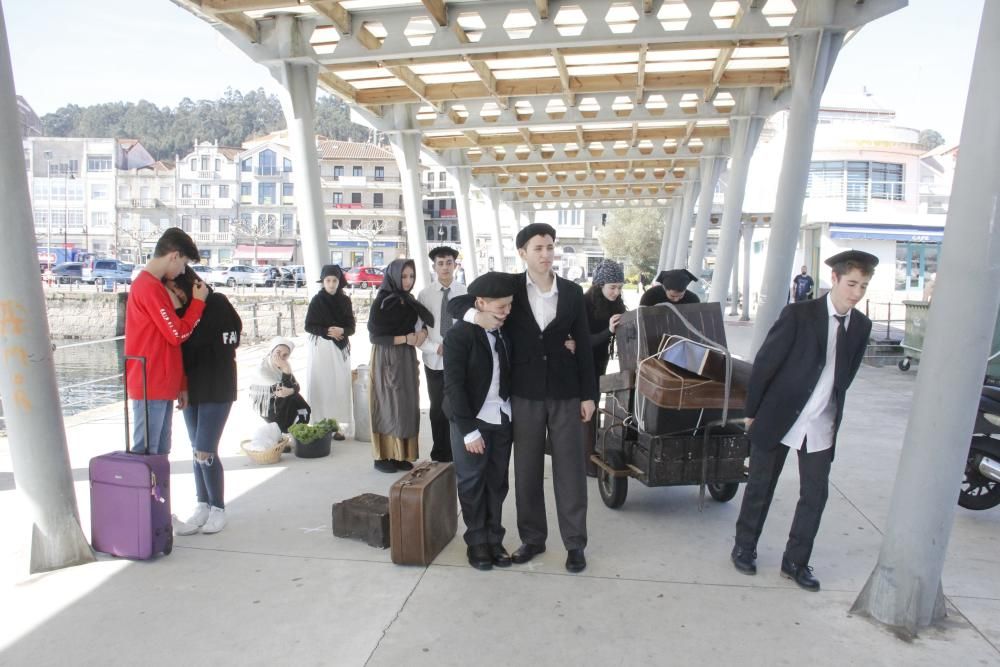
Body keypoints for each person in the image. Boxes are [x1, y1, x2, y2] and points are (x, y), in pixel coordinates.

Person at [450, 223, 597, 573]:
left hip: (566, 393)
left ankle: (575, 543)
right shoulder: (510, 288)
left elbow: (586, 347)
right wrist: (478, 315)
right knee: (526, 471)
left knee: (570, 472)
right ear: (523, 253)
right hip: (524, 395)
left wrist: (590, 395)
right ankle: (533, 538)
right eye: (538, 248)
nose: (545, 254)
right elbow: (458, 303)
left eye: (549, 247)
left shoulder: (574, 292)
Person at [730, 250, 877, 592]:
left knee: (815, 494)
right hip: (780, 415)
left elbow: (847, 374)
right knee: (760, 486)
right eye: (852, 283)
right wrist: (752, 412)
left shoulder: (861, 326)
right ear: (835, 280)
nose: (857, 292)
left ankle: (795, 561)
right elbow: (766, 363)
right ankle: (745, 547)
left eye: (864, 286)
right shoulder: (799, 314)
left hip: (821, 423)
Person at [443, 272, 516, 570]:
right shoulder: (459, 335)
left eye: (509, 306)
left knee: (497, 482)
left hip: (502, 416)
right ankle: (476, 541)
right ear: (481, 303)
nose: (507, 312)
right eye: (501, 307)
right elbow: (454, 386)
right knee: (472, 481)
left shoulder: (506, 328)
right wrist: (468, 430)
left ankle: (494, 538)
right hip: (471, 420)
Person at [165, 266, 242, 536]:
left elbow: (230, 338)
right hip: (193, 388)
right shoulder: (181, 312)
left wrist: (195, 323)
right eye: (170, 290)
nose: (174, 294)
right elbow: (181, 342)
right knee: (195, 448)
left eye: (176, 288)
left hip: (218, 386)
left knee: (205, 450)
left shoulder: (216, 302)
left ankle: (218, 508)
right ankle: (203, 503)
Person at [124, 227, 208, 455]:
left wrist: (179, 383)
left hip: (158, 381)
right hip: (150, 382)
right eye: (183, 264)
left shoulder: (153, 286)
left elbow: (170, 341)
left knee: (159, 451)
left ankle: (158, 492)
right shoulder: (148, 287)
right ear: (174, 255)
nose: (182, 271)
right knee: (147, 454)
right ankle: (146, 493)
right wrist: (198, 303)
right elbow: (177, 334)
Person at [367, 258, 435, 473]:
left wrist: (422, 333)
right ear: (394, 276)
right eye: (404, 276)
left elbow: (424, 322)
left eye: (411, 276)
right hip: (387, 356)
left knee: (405, 404)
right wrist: (405, 339)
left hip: (405, 356)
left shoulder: (409, 300)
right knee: (388, 404)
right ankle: (383, 456)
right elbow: (376, 336)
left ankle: (400, 454)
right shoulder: (383, 301)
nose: (408, 281)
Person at [418, 246, 467, 462]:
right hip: (434, 360)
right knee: (437, 408)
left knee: (458, 406)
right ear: (434, 267)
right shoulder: (425, 294)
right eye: (441, 263)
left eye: (449, 262)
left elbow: (470, 326)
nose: (445, 267)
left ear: (455, 265)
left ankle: (459, 450)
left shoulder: (465, 292)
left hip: (460, 361)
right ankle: (440, 453)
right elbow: (419, 329)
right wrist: (435, 348)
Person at [583, 259, 627, 477]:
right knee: (586, 411)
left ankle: (590, 455)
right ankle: (587, 462)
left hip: (599, 362)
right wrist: (609, 331)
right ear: (599, 285)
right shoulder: (584, 303)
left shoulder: (615, 303)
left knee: (591, 411)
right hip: (580, 364)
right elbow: (582, 343)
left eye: (620, 287)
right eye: (612, 287)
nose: (616, 292)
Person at [304, 264, 355, 440]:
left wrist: (341, 331)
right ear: (323, 282)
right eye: (328, 280)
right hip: (321, 348)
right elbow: (308, 325)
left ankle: (340, 425)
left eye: (334, 280)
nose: (332, 284)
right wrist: (327, 331)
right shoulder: (317, 300)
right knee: (322, 386)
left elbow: (351, 327)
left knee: (340, 386)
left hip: (340, 347)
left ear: (339, 281)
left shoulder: (345, 301)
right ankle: (320, 423)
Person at [249, 337, 311, 434]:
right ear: (271, 351)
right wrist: (286, 370)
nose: (281, 357)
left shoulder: (284, 365)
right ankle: (283, 429)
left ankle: (296, 428)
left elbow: (296, 386)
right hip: (266, 405)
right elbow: (280, 390)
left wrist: (290, 389)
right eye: (278, 352)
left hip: (281, 398)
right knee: (291, 398)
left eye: (285, 355)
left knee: (296, 399)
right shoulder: (263, 369)